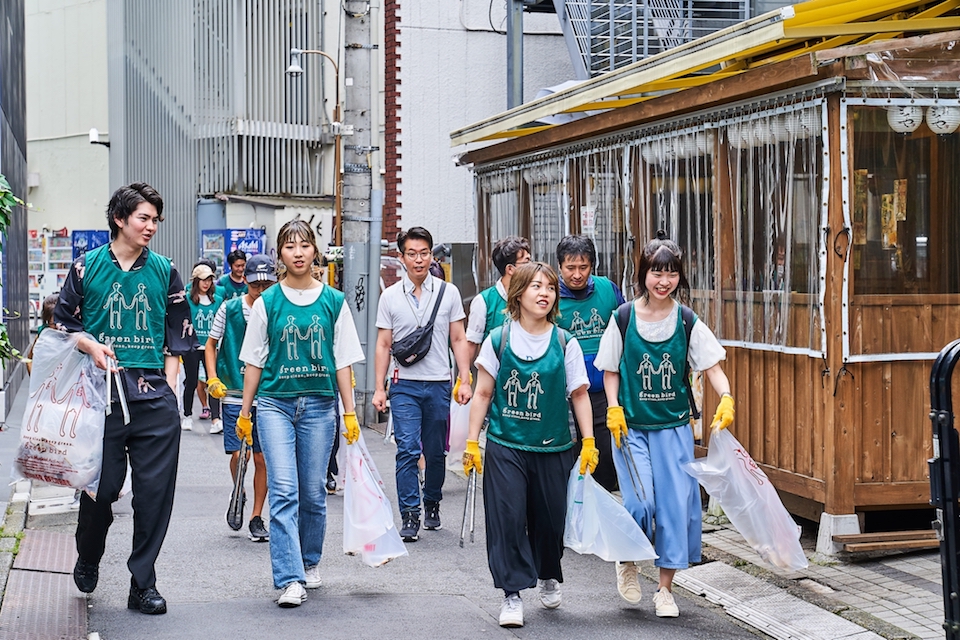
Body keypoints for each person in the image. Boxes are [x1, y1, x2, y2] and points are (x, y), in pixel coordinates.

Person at [58, 182, 195, 615]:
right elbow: (64, 326)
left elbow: (179, 335)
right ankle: (89, 552)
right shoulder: (87, 267)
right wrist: (91, 346)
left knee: (154, 494)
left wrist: (171, 388)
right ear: (120, 219)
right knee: (104, 488)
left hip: (154, 399)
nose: (151, 226)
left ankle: (142, 584)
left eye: (155, 220)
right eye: (144, 218)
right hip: (101, 399)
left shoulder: (165, 270)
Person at [594, 231, 734, 618]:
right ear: (643, 275)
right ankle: (627, 560)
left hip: (674, 428)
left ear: (679, 277)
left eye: (671, 273)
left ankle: (666, 589)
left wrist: (726, 397)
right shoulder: (622, 318)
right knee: (642, 502)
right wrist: (614, 407)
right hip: (631, 428)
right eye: (656, 272)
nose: (663, 281)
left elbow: (712, 368)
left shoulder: (687, 320)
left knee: (675, 509)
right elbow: (609, 369)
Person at [462, 262, 598, 629]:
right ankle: (512, 592)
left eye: (551, 288)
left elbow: (580, 394)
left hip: (554, 447)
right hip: (506, 444)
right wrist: (472, 442)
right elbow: (483, 393)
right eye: (536, 286)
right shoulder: (498, 338)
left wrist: (589, 442)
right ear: (518, 293)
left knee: (551, 521)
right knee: (508, 518)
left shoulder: (565, 342)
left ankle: (548, 573)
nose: (544, 293)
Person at [238, 219, 364, 608]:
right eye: (289, 246)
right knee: (284, 490)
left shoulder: (334, 301)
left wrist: (350, 412)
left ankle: (310, 562)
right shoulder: (267, 303)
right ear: (280, 255)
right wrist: (246, 412)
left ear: (315, 252)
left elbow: (342, 361)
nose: (297, 252)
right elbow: (254, 362)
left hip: (321, 406)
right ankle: (289, 577)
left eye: (304, 245)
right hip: (275, 404)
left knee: (312, 493)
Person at [372, 226, 473, 542]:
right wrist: (379, 387)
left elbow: (458, 337)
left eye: (424, 253)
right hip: (403, 385)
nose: (419, 260)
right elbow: (383, 344)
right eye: (412, 254)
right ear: (401, 258)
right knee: (407, 449)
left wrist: (465, 377)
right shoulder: (389, 296)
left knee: (435, 451)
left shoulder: (448, 292)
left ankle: (432, 502)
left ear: (432, 256)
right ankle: (410, 514)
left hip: (440, 383)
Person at [205, 254, 277, 542]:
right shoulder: (229, 308)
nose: (261, 289)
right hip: (234, 391)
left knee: (262, 458)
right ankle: (239, 489)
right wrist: (212, 378)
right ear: (244, 279)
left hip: (267, 393)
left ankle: (257, 516)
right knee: (238, 454)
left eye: (267, 283)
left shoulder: (276, 309)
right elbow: (211, 345)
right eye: (256, 283)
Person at [555, 235, 626, 492]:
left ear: (592, 265)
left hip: (605, 393)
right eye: (570, 268)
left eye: (583, 267)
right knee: (572, 460)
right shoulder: (550, 296)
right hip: (567, 396)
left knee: (606, 459)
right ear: (560, 267)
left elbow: (623, 329)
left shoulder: (608, 289)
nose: (577, 274)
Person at [466, 235, 531, 360]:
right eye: (526, 262)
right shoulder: (484, 301)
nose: (531, 266)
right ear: (510, 269)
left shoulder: (533, 296)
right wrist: (464, 376)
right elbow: (472, 343)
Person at [183, 263, 223, 433]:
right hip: (192, 346)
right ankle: (187, 415)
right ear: (196, 281)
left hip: (211, 347)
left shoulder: (218, 301)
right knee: (191, 381)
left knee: (212, 381)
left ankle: (216, 418)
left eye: (209, 280)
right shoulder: (187, 300)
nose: (206, 283)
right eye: (203, 280)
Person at [25, 293, 59, 375]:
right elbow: (29, 360)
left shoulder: (74, 335)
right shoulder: (43, 334)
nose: (57, 327)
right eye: (52, 324)